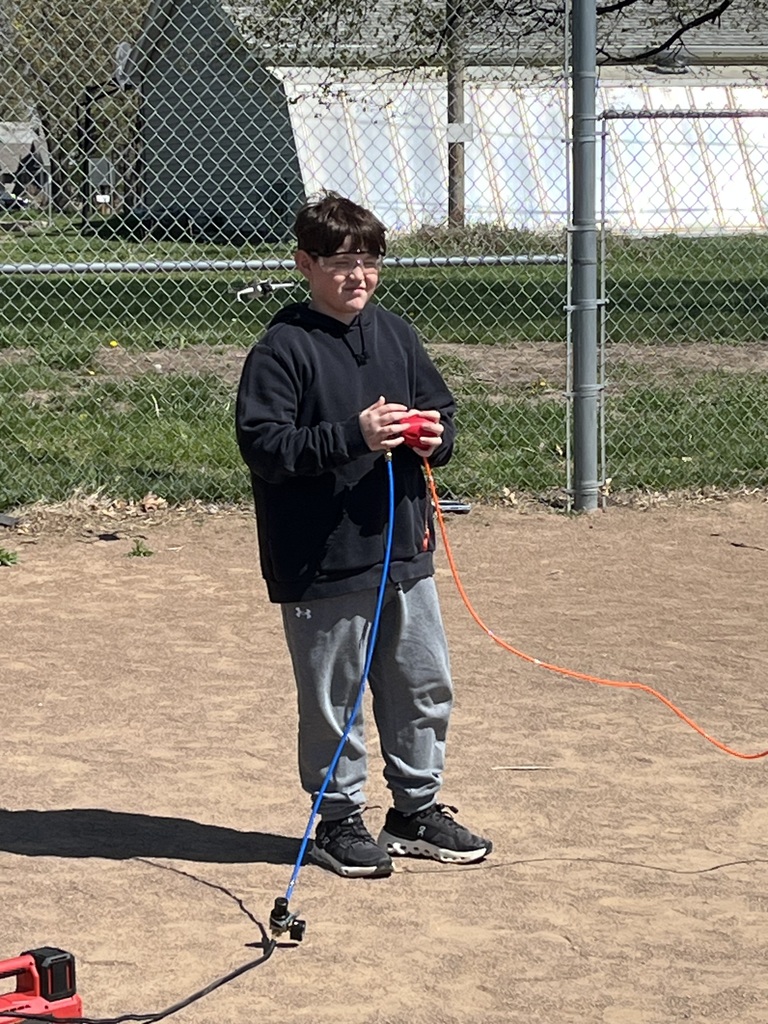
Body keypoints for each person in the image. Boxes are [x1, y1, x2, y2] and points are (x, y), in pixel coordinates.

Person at [235, 192, 492, 878]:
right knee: (335, 699)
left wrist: (434, 438)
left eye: (371, 260)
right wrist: (353, 436)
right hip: (321, 558)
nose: (359, 276)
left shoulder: (397, 335)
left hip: (401, 548)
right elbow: (265, 447)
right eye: (343, 262)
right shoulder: (282, 348)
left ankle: (415, 809)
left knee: (421, 683)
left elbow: (440, 409)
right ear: (305, 264)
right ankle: (339, 819)